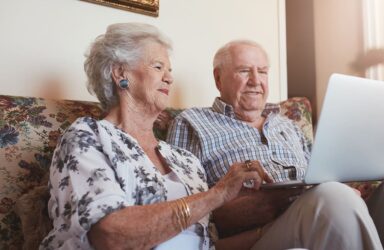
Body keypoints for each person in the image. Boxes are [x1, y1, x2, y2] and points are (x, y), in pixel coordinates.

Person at [167, 40, 384, 249]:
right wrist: (246, 204)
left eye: (262, 71)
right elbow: (186, 213)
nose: (256, 80)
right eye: (244, 70)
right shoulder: (192, 123)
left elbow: (321, 174)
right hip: (261, 234)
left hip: (330, 212)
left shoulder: (287, 123)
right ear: (219, 78)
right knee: (333, 196)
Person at [40, 24, 272, 250]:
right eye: (159, 67)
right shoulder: (88, 137)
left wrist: (273, 231)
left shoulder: (185, 160)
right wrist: (218, 194)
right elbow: (111, 236)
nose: (170, 78)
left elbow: (207, 244)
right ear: (121, 73)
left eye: (170, 71)